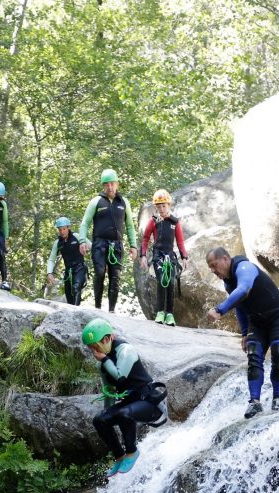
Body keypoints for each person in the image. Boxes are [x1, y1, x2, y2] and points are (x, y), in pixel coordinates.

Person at [205, 247, 279, 418]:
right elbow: (240, 305)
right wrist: (245, 333)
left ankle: (277, 399)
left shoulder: (244, 267)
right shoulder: (228, 282)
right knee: (253, 356)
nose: (213, 271)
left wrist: (219, 309)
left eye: (214, 266)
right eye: (210, 268)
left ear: (225, 259)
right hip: (257, 321)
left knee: (278, 351)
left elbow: (244, 290)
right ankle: (254, 403)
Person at [82, 318, 167, 477]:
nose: (95, 352)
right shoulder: (102, 363)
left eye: (96, 347)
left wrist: (105, 360)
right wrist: (107, 414)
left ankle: (132, 452)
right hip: (130, 402)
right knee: (99, 420)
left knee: (124, 414)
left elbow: (120, 377)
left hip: (149, 402)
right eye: (91, 349)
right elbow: (109, 389)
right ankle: (120, 456)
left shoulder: (125, 350)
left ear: (108, 338)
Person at [78, 169, 138, 312]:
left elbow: (129, 225)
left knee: (115, 277)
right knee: (99, 272)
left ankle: (111, 310)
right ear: (103, 186)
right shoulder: (96, 201)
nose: (109, 187)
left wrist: (133, 245)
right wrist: (82, 241)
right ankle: (98, 307)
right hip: (100, 244)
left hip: (116, 245)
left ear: (117, 184)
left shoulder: (124, 202)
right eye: (106, 184)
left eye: (112, 184)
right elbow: (84, 223)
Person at [139, 189, 187, 326]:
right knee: (161, 282)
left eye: (163, 206)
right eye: (158, 206)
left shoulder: (174, 222)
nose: (161, 209)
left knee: (171, 282)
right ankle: (160, 312)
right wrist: (143, 256)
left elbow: (180, 241)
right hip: (158, 255)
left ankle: (170, 314)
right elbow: (146, 238)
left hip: (170, 256)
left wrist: (184, 257)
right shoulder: (154, 222)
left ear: (169, 205)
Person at [46, 217, 89, 305]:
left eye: (64, 229)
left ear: (68, 228)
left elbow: (92, 247)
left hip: (80, 268)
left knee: (76, 287)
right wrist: (49, 273)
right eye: (60, 229)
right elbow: (51, 259)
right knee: (69, 296)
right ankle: (72, 311)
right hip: (68, 272)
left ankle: (75, 311)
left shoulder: (77, 236)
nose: (62, 232)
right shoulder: (58, 243)